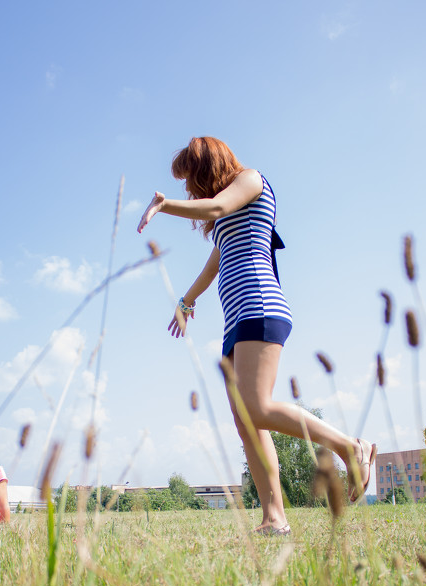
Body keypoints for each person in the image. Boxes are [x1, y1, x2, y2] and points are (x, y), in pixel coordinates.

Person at [138, 136, 376, 534]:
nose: (189, 189)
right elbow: (215, 263)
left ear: (207, 167)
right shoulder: (227, 221)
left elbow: (214, 205)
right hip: (236, 320)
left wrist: (164, 206)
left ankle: (350, 447)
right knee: (247, 422)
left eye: (190, 179)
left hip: (260, 305)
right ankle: (274, 517)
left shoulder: (251, 180)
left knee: (258, 406)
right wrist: (186, 300)